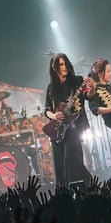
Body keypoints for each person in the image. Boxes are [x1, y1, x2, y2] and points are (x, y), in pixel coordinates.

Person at [44, 53, 96, 186]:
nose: (65, 66)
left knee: (71, 158)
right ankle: (66, 191)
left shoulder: (77, 81)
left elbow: (88, 96)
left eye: (66, 63)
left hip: (75, 125)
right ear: (54, 67)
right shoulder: (51, 88)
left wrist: (93, 88)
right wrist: (54, 116)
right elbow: (47, 110)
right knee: (60, 164)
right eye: (61, 64)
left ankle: (89, 185)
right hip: (58, 128)